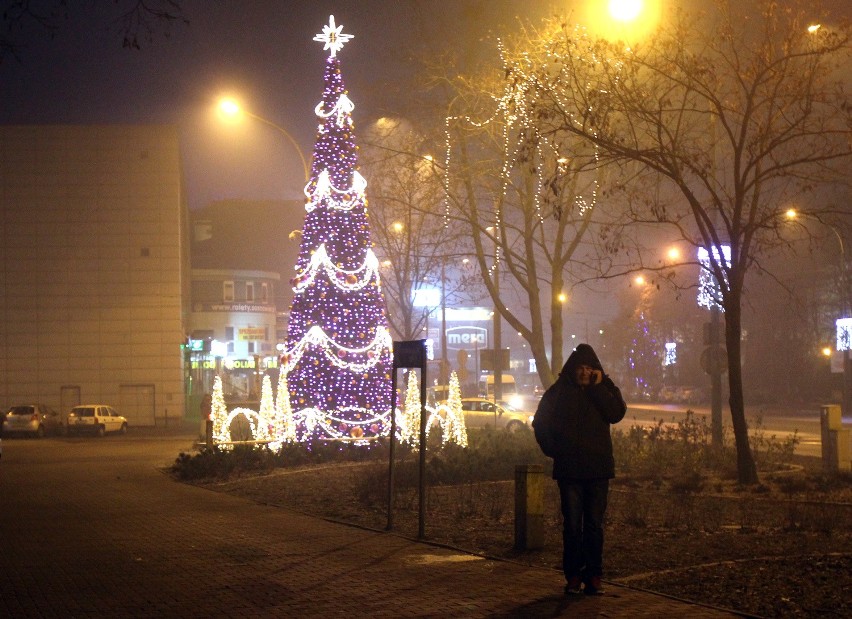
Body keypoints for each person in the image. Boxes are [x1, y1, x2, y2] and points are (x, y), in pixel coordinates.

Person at [532, 343, 626, 595]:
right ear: (572, 370)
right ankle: (573, 576)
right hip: (570, 471)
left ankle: (594, 576)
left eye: (589, 368)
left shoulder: (603, 390)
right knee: (573, 526)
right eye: (580, 368)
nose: (584, 372)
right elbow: (540, 421)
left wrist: (599, 386)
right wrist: (553, 450)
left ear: (595, 371)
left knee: (594, 526)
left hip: (597, 470)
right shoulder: (560, 392)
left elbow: (616, 413)